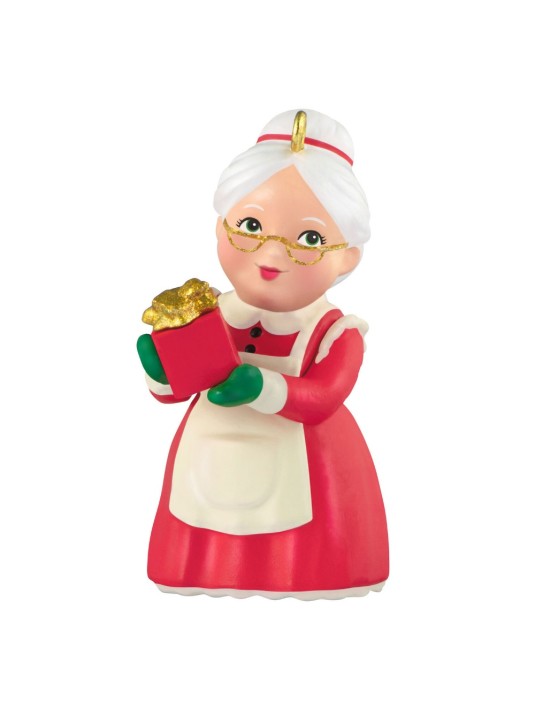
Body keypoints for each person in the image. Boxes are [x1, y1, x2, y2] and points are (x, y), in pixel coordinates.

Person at [137, 109, 389, 599]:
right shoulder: (208, 312)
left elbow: (324, 397)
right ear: (220, 227)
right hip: (209, 452)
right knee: (201, 515)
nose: (271, 255)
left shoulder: (337, 333)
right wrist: (162, 371)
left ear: (347, 255)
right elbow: (178, 387)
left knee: (295, 533)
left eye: (309, 239)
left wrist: (261, 387)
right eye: (251, 225)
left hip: (306, 461)